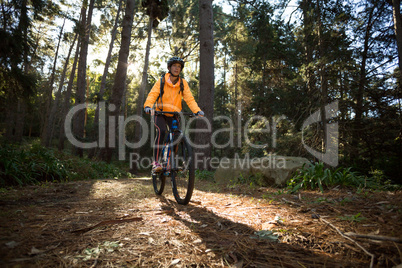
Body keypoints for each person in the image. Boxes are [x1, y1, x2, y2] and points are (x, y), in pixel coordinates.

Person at [144, 56, 204, 172]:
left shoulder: (183, 83)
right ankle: (156, 163)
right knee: (161, 132)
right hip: (160, 113)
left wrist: (196, 110)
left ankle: (170, 160)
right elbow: (153, 95)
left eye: (179, 67)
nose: (177, 68)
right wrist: (148, 106)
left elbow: (189, 99)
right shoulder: (161, 81)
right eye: (175, 66)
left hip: (174, 114)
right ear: (169, 68)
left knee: (177, 136)